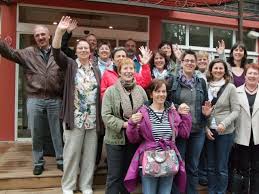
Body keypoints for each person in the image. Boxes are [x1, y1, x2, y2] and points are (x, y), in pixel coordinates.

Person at [0, 25, 64, 175]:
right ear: (35, 38)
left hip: (55, 98)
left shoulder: (58, 53)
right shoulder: (28, 52)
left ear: (49, 36)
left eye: (43, 34)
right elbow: (8, 52)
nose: (40, 37)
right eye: (37, 35)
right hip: (35, 98)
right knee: (36, 132)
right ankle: (38, 162)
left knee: (57, 132)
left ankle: (61, 160)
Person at [52, 16, 102, 194]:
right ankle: (68, 186)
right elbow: (56, 51)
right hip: (74, 119)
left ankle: (86, 185)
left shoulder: (96, 70)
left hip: (92, 122)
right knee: (71, 155)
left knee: (89, 157)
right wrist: (60, 31)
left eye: (86, 48)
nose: (82, 50)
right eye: (80, 47)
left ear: (90, 51)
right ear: (77, 50)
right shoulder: (71, 65)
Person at [124, 79, 192, 194]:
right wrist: (131, 124)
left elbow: (184, 133)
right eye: (158, 91)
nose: (161, 94)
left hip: (168, 159)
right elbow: (133, 139)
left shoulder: (171, 112)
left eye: (164, 91)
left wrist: (185, 116)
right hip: (149, 158)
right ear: (151, 94)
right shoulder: (143, 112)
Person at [101, 57, 148, 194]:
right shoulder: (111, 91)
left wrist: (140, 124)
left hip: (134, 140)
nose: (128, 71)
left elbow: (146, 112)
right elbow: (106, 116)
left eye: (131, 68)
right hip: (115, 139)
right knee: (114, 176)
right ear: (119, 72)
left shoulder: (140, 91)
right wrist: (126, 124)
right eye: (125, 69)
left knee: (129, 176)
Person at [167, 49, 208, 194]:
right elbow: (164, 102)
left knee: (193, 166)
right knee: (176, 164)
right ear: (182, 62)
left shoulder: (201, 82)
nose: (190, 63)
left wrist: (207, 114)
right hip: (179, 131)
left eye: (192, 61)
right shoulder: (173, 81)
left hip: (197, 131)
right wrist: (177, 108)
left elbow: (205, 105)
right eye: (187, 60)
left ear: (196, 64)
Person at [203, 58, 239, 194]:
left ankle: (221, 192)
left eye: (221, 68)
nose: (218, 70)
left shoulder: (230, 87)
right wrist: (206, 128)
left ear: (225, 71)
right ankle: (212, 191)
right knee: (210, 166)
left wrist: (225, 123)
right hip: (209, 131)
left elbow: (236, 110)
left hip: (225, 132)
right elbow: (203, 110)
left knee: (222, 167)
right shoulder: (205, 85)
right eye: (215, 68)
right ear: (211, 70)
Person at [233, 63, 259, 194]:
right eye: (250, 73)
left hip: (258, 137)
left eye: (255, 73)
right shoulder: (236, 91)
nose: (252, 76)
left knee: (256, 168)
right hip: (241, 135)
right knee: (242, 168)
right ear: (245, 75)